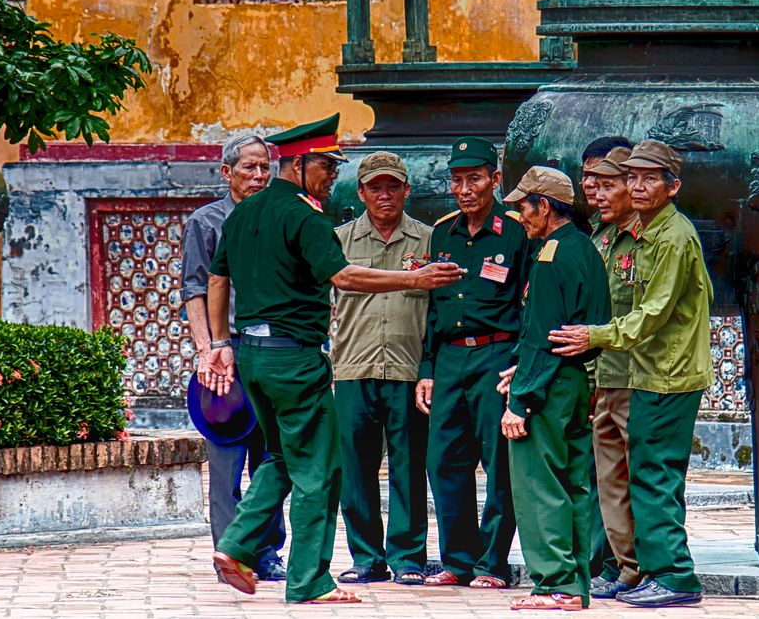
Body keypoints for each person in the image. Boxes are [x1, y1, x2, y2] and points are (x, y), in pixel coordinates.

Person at [199, 114, 464, 605]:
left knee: (280, 457)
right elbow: (342, 276)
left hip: (252, 356)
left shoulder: (243, 213)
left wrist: (219, 343)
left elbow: (218, 279)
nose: (332, 177)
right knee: (320, 471)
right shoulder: (306, 215)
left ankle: (235, 545)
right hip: (295, 361)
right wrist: (414, 279)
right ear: (299, 165)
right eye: (326, 167)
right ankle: (310, 581)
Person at [549, 139, 714, 608]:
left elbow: (654, 312)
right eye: (633, 177)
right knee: (626, 475)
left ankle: (675, 576)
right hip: (637, 373)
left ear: (673, 187)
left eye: (648, 179)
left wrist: (594, 338)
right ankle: (635, 570)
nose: (637, 187)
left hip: (667, 375)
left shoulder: (673, 237)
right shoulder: (641, 232)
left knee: (654, 475)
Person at [416, 137, 529, 589]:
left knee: (498, 461)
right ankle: (457, 561)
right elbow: (431, 307)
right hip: (448, 359)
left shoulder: (517, 231)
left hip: (496, 355)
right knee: (443, 460)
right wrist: (426, 368)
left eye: (475, 179)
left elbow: (529, 306)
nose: (465, 189)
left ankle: (492, 564)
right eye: (458, 180)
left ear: (495, 179)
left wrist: (521, 363)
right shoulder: (442, 233)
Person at [496, 166, 610, 611]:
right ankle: (575, 582)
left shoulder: (548, 256)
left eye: (524, 208)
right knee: (573, 484)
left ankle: (554, 583)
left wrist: (519, 401)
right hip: (575, 383)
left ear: (545, 206)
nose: (520, 217)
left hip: (547, 388)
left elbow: (543, 333)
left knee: (537, 484)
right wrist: (521, 368)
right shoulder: (584, 249)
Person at [180, 134, 286, 584]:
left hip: (272, 353)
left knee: (270, 456)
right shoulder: (207, 222)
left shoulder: (283, 218)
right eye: (249, 168)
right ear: (227, 173)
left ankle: (266, 552)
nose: (259, 176)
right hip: (226, 353)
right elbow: (194, 291)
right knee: (225, 460)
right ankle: (230, 554)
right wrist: (208, 352)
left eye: (265, 167)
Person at [331, 152, 432, 586]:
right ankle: (366, 557)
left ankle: (408, 558)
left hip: (409, 370)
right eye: (375, 187)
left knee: (409, 466)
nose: (384, 195)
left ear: (407, 190)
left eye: (393, 186)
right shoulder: (337, 241)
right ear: (361, 192)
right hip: (352, 367)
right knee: (356, 469)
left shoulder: (429, 240)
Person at [586, 145, 643, 599]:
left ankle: (647, 565)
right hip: (605, 374)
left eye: (608, 186)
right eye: (596, 185)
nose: (598, 194)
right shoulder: (602, 239)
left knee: (641, 477)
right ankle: (624, 566)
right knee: (609, 480)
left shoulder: (652, 238)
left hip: (639, 376)